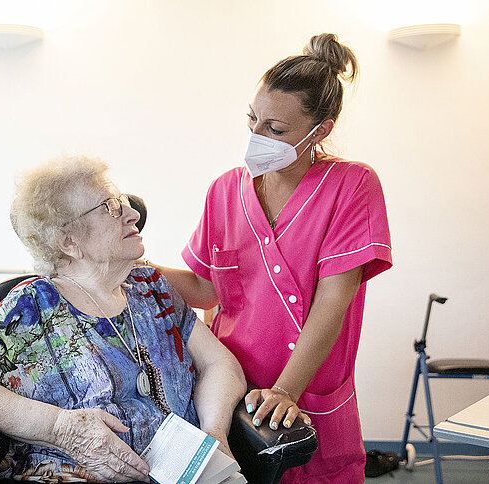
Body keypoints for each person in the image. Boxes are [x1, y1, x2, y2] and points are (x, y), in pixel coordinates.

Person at [148, 33, 392, 482]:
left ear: (321, 129)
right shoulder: (225, 190)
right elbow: (207, 291)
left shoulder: (352, 187)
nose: (257, 137)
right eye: (252, 121)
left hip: (307, 391)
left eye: (275, 129)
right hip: (229, 389)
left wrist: (286, 390)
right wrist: (141, 270)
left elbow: (333, 301)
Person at [0, 154, 246, 483]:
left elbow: (220, 364)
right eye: (111, 207)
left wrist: (214, 433)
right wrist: (60, 428)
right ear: (69, 242)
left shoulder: (151, 288)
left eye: (125, 202)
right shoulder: (33, 309)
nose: (133, 214)